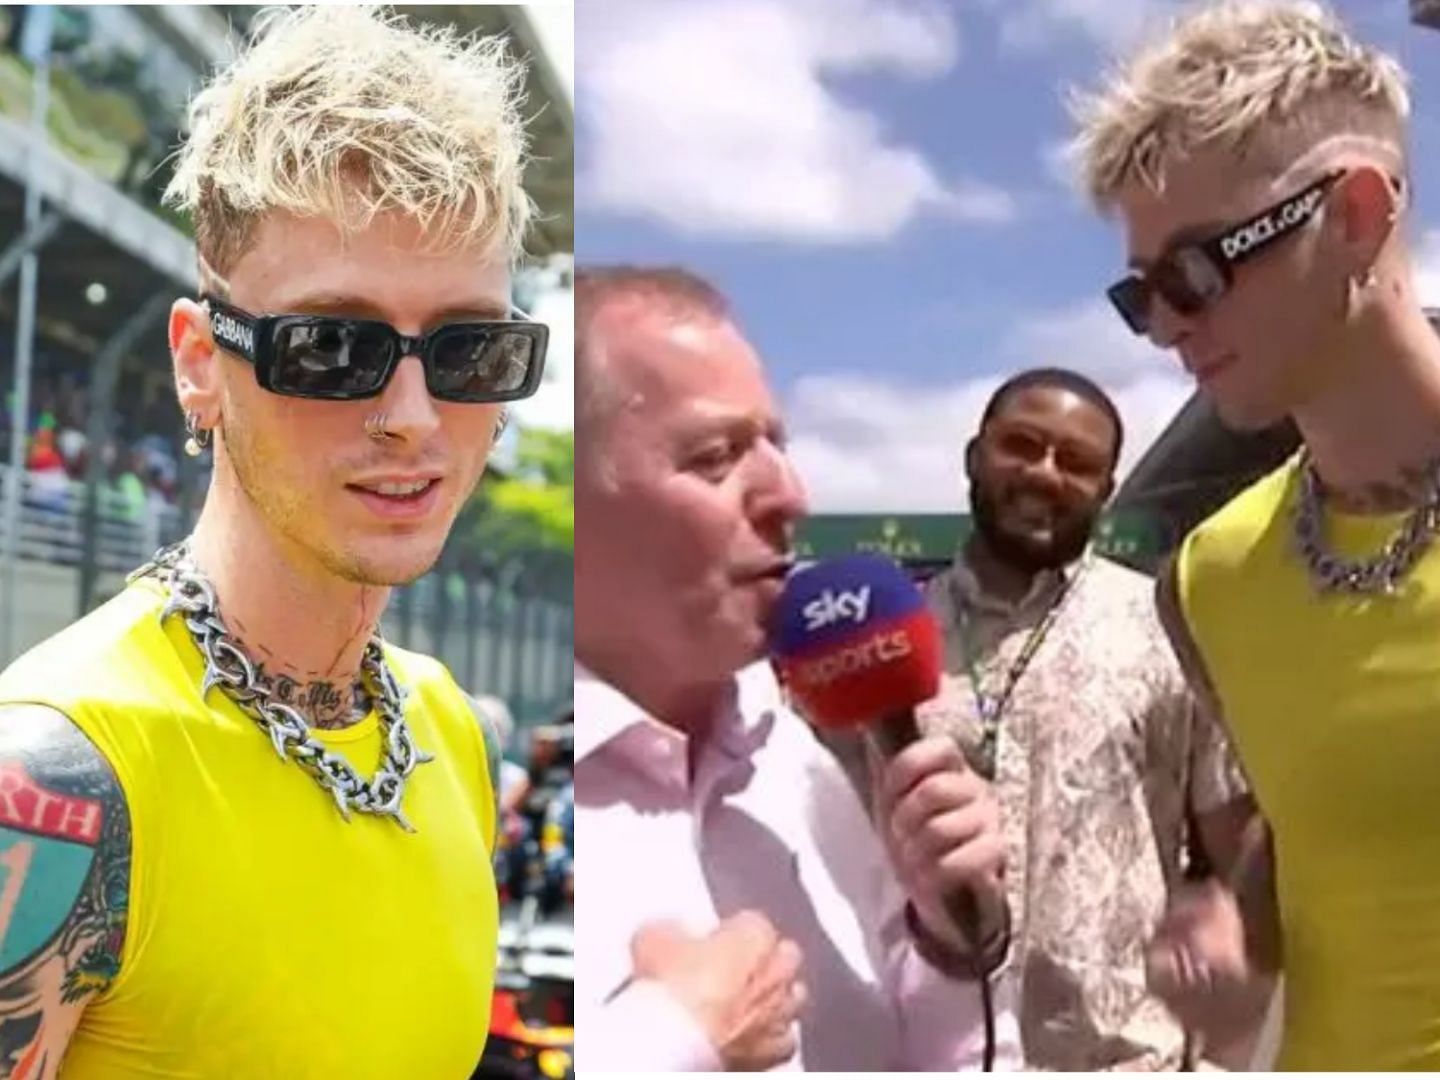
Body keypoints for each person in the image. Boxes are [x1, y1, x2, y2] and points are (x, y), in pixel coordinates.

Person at [0, 8, 548, 1077]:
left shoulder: (451, 737)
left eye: (470, 348)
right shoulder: (59, 782)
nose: (413, 416)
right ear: (200, 362)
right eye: (332, 345)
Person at [1069, 0, 1440, 1067]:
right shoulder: (1210, 578)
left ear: (1358, 217)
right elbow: (1319, 822)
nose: (1170, 324)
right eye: (1141, 296)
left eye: (1194, 271)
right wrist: (1240, 936)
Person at [574, 265, 1019, 1072]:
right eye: (715, 456)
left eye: (775, 445)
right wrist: (673, 1043)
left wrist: (952, 953)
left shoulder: (800, 763)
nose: (792, 497)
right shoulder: (456, 789)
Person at [827, 367, 1257, 1069]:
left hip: (1123, 1059)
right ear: (975, 457)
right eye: (1021, 446)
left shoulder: (1167, 630)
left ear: (1107, 490)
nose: (1046, 474)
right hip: (927, 1056)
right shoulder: (882, 643)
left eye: (1078, 462)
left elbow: (1235, 847)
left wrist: (1230, 983)